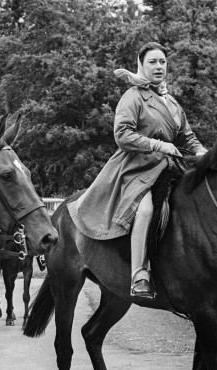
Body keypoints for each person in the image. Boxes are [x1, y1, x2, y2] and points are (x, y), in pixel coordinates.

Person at [69, 42, 206, 299]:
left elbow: (188, 137)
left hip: (170, 166)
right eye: (152, 62)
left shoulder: (173, 103)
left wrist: (204, 153)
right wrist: (157, 144)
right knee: (145, 209)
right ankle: (138, 274)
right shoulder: (133, 96)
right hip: (136, 168)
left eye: (162, 62)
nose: (159, 67)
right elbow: (122, 135)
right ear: (141, 65)